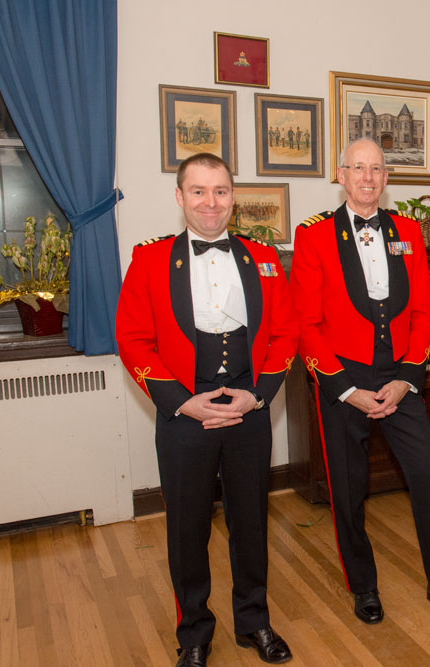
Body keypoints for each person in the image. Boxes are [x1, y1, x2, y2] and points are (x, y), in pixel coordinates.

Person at [115, 153, 296, 667]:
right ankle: (194, 632)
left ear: (232, 197)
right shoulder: (149, 259)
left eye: (220, 191)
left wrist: (258, 393)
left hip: (249, 407)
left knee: (251, 522)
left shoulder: (262, 256)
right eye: (198, 191)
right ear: (180, 197)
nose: (210, 202)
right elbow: (132, 338)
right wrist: (180, 402)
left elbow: (285, 331)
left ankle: (254, 622)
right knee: (187, 529)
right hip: (183, 411)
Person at [289, 138, 430, 625]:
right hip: (342, 381)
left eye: (376, 169)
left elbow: (421, 312)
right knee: (348, 490)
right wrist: (345, 389)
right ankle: (363, 587)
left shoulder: (408, 232)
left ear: (386, 177)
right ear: (341, 174)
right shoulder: (314, 236)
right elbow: (305, 323)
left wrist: (407, 378)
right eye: (358, 168)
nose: (368, 178)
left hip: (398, 377)